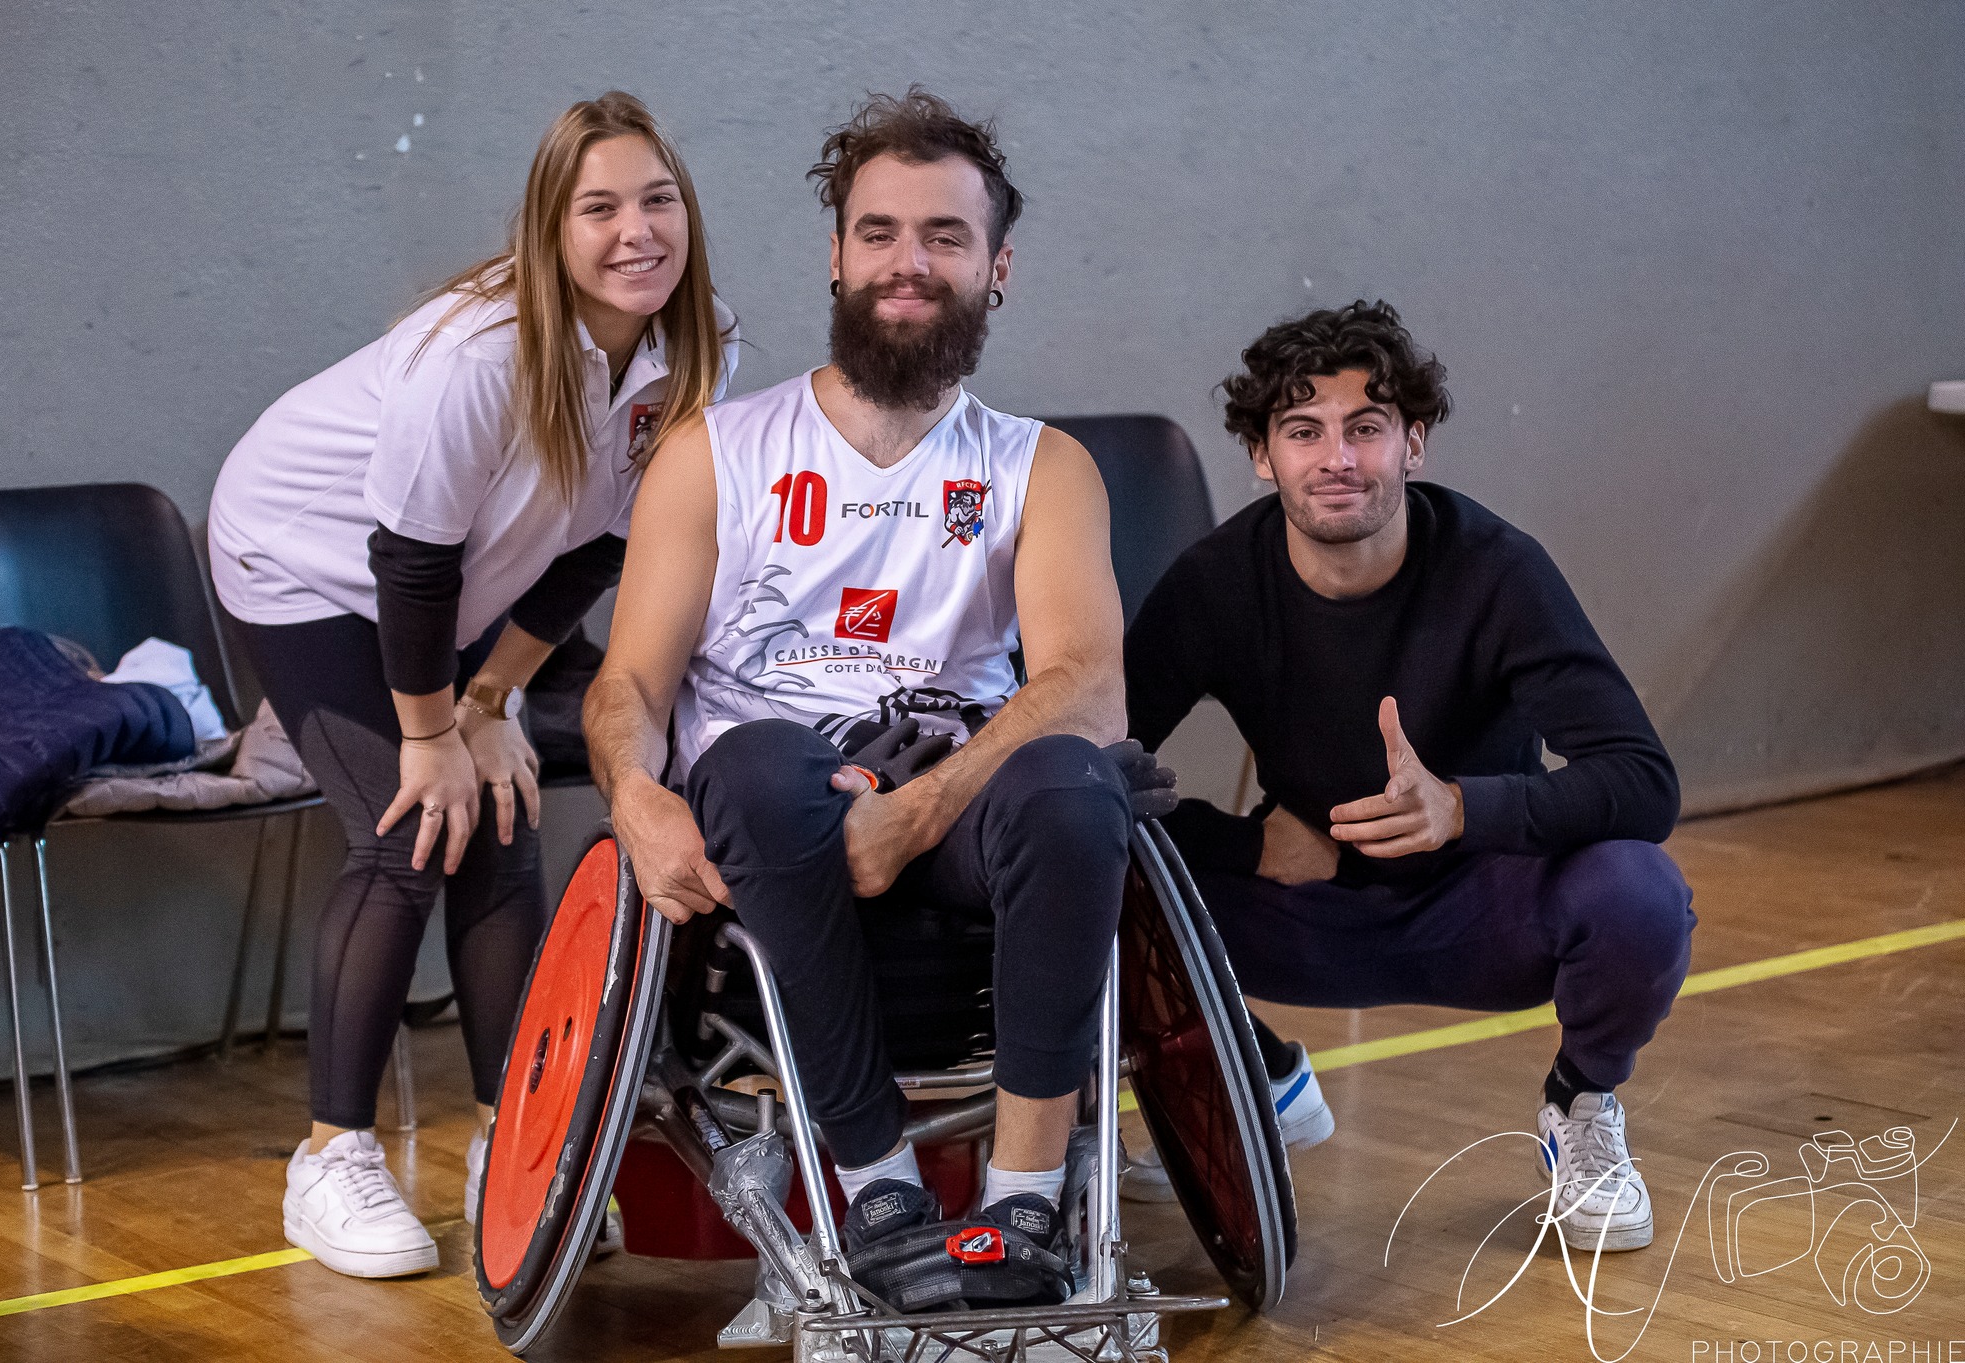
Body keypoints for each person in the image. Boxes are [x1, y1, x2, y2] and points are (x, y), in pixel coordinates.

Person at [587, 89, 1134, 1264]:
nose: (909, 262)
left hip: (950, 813)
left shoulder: (1042, 466)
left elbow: (1088, 685)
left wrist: (921, 808)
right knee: (753, 762)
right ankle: (878, 1182)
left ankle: (1025, 1199)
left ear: (997, 269)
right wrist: (635, 797)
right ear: (834, 256)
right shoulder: (713, 452)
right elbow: (626, 684)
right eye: (879, 232)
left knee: (1076, 785)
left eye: (945, 236)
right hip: (766, 813)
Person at [207, 93, 737, 1279]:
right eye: (599, 207)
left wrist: (492, 700)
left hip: (464, 582)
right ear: (550, 229)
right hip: (307, 562)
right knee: (410, 832)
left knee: (502, 821)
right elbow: (409, 557)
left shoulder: (695, 344)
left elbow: (609, 543)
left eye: (658, 200)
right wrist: (432, 728)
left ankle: (521, 1141)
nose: (636, 231)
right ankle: (330, 1155)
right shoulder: (478, 354)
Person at [1123, 300, 1694, 1252]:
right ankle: (1254, 1074)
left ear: (1413, 444)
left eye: (1366, 428)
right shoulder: (1218, 584)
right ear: (1264, 457)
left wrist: (1467, 807)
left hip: (1483, 905)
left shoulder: (1496, 570)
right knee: (1071, 873)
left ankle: (1581, 1103)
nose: (1336, 458)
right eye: (1303, 431)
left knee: (1641, 894)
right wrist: (1246, 842)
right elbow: (1089, 771)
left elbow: (1642, 782)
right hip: (1303, 903)